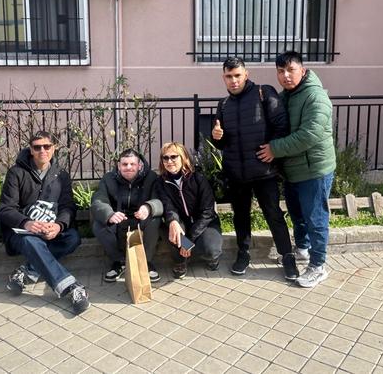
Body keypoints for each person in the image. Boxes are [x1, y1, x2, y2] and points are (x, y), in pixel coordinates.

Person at [212, 56, 298, 280]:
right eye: (229, 76)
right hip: (236, 174)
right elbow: (222, 143)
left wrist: (274, 149)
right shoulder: (223, 104)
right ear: (223, 77)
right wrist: (217, 137)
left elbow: (282, 125)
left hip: (264, 172)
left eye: (237, 75)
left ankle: (287, 256)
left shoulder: (264, 92)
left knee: (273, 214)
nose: (233, 80)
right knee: (240, 215)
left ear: (246, 74)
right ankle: (243, 253)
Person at [257, 51, 336, 288]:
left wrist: (275, 149)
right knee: (297, 214)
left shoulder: (315, 97)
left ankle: (318, 266)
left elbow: (308, 135)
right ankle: (302, 248)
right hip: (293, 169)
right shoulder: (287, 96)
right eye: (281, 71)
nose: (286, 76)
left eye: (291, 70)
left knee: (315, 218)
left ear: (302, 70)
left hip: (314, 170)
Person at [0, 131, 89, 315]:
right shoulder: (16, 173)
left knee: (72, 238)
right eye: (37, 147)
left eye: (47, 146)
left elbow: (68, 206)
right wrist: (26, 223)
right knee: (31, 241)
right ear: (31, 150)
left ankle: (26, 272)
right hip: (21, 233)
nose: (42, 151)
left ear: (53, 148)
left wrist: (59, 226)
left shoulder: (61, 175)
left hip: (49, 230)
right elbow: (5, 209)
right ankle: (70, 287)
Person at [91, 149, 163, 283]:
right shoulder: (108, 179)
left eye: (132, 164)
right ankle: (119, 262)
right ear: (119, 166)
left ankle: (146, 262)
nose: (128, 167)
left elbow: (159, 200)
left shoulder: (151, 178)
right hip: (119, 217)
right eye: (124, 164)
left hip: (141, 217)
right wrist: (109, 214)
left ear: (139, 165)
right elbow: (98, 199)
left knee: (155, 220)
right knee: (99, 224)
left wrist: (148, 207)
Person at [156, 142, 222, 279]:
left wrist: (189, 240)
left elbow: (208, 212)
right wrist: (173, 221)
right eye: (165, 158)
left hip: (204, 222)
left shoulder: (198, 178)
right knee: (174, 231)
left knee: (210, 249)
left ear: (184, 157)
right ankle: (181, 261)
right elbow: (168, 206)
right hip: (181, 222)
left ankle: (212, 258)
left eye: (174, 157)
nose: (169, 161)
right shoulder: (161, 182)